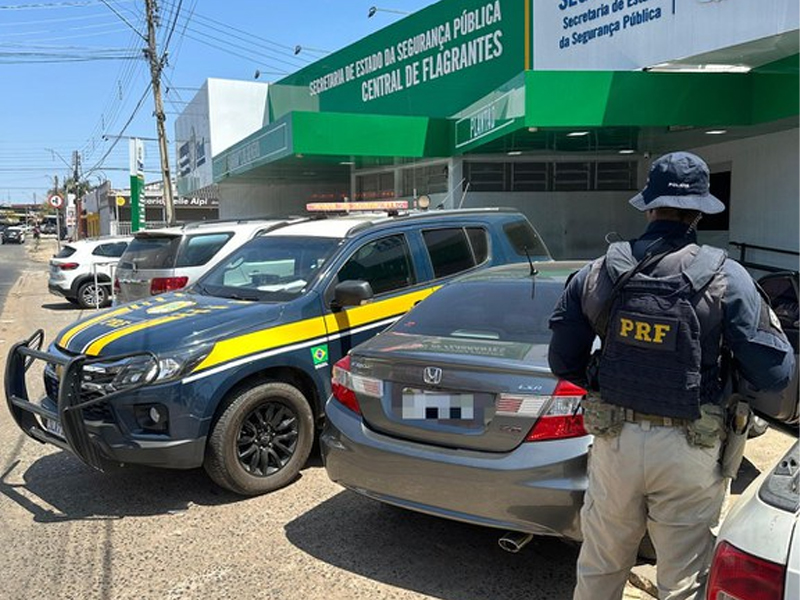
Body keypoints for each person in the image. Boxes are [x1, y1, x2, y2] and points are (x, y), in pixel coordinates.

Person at [548, 151, 795, 600]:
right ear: (700, 210)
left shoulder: (598, 272)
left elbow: (563, 361)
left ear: (648, 206)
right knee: (682, 580)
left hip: (614, 441)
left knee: (601, 566)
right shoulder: (729, 277)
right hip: (690, 446)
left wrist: (615, 383)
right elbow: (776, 372)